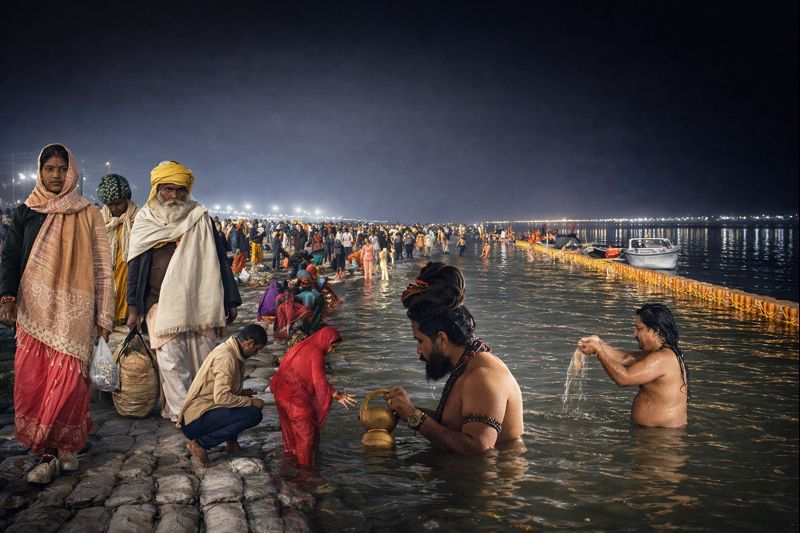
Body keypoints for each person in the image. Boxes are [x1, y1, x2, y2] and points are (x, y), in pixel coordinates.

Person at [0, 144, 114, 482]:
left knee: (69, 385)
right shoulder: (25, 212)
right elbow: (10, 259)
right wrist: (6, 296)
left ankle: (62, 448)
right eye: (49, 168)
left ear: (72, 172)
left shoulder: (88, 212)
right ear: (40, 171)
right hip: (34, 313)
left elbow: (102, 268)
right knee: (33, 380)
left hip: (74, 315)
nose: (55, 175)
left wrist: (103, 315)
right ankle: (46, 450)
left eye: (61, 169)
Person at [126, 161, 241, 422]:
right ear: (157, 189)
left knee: (203, 362)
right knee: (171, 362)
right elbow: (135, 267)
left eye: (180, 190)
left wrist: (229, 300)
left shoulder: (199, 217)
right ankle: (184, 415)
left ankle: (203, 408)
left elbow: (219, 260)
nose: (175, 196)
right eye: (168, 189)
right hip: (159, 303)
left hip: (200, 302)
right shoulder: (145, 221)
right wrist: (133, 308)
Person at [384, 262, 524, 454]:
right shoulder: (467, 365)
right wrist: (405, 411)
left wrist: (415, 417)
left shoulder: (482, 377)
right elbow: (454, 423)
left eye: (420, 340)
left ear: (441, 338)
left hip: (486, 482)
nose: (418, 350)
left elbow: (478, 448)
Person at [577, 303, 688, 428]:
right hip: (653, 434)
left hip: (660, 439)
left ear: (655, 332)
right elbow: (624, 358)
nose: (634, 334)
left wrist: (598, 352)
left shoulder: (663, 359)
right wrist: (599, 343)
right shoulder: (660, 353)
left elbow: (624, 379)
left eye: (639, 329)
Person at [179, 324, 268, 467]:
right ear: (249, 343)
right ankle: (200, 444)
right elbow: (221, 398)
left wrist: (243, 394)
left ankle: (232, 444)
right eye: (256, 349)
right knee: (253, 414)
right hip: (196, 420)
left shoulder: (233, 351)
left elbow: (221, 391)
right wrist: (249, 402)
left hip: (204, 412)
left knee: (242, 405)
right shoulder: (226, 358)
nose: (255, 353)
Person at [269, 326, 356, 467]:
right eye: (332, 347)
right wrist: (337, 395)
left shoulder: (302, 346)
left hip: (282, 396)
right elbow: (319, 381)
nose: (332, 351)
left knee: (291, 436)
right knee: (306, 438)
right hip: (295, 401)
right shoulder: (316, 353)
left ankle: (290, 464)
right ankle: (306, 474)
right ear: (326, 341)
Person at [96, 173, 139, 325]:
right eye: (110, 205)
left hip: (132, 288)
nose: (114, 208)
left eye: (118, 203)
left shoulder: (140, 219)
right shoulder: (99, 221)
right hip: (107, 289)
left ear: (127, 198)